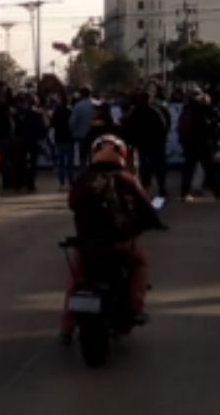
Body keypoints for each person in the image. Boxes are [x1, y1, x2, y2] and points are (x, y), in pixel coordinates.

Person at [60, 134, 165, 342]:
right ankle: (135, 307)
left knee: (76, 278)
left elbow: (72, 204)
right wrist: (154, 224)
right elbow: (147, 209)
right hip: (120, 243)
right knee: (140, 264)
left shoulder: (83, 179)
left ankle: (66, 325)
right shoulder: (127, 179)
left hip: (87, 245)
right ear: (122, 155)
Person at [123, 89, 169, 199]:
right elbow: (163, 126)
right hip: (155, 143)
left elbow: (128, 127)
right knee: (158, 166)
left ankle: (145, 187)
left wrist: (131, 142)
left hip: (142, 143)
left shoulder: (135, 112)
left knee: (144, 166)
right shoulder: (155, 111)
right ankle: (161, 188)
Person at [178, 89, 220, 201]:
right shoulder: (204, 109)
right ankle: (217, 192)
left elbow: (181, 127)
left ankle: (185, 193)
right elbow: (213, 124)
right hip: (202, 143)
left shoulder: (187, 109)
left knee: (189, 169)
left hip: (190, 144)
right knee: (209, 168)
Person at [50, 92, 76, 192]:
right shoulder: (70, 111)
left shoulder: (57, 111)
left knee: (60, 163)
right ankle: (71, 182)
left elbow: (52, 124)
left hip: (59, 138)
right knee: (70, 163)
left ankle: (61, 183)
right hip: (69, 138)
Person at [69, 86, 95, 168]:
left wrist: (73, 132)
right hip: (95, 134)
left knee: (83, 157)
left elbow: (72, 122)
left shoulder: (78, 106)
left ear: (81, 94)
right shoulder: (96, 104)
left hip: (82, 135)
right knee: (93, 156)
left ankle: (83, 174)